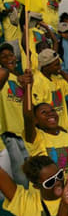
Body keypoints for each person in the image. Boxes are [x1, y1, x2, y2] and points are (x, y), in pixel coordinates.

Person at [22, 63, 68, 176]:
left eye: (52, 111)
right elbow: (28, 117)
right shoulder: (36, 137)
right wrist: (27, 88)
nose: (50, 114)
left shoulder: (66, 136)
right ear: (36, 120)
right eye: (44, 112)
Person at [0, 43, 29, 187]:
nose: (9, 58)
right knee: (21, 179)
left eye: (11, 55)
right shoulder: (2, 77)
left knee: (32, 176)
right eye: (3, 56)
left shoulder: (21, 79)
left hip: (25, 132)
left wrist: (26, 87)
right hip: (10, 135)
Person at [31, 48, 68, 136]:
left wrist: (61, 72)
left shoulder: (56, 78)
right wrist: (56, 128)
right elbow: (37, 112)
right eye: (56, 65)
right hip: (51, 133)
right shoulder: (37, 82)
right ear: (46, 66)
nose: (60, 67)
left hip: (66, 131)